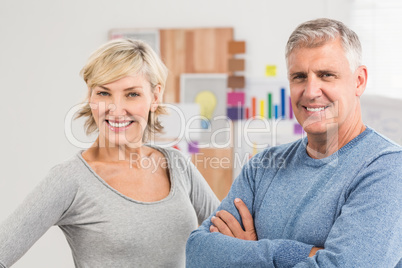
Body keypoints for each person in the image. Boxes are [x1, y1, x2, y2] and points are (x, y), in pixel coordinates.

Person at [186, 18, 402, 267]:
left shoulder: (387, 169)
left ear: (359, 81)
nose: (310, 91)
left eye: (326, 75)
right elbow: (197, 253)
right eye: (299, 77)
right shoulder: (262, 167)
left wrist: (246, 253)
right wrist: (298, 254)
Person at [0, 39, 219, 267]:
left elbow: (232, 238)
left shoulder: (177, 165)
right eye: (104, 93)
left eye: (132, 94)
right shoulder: (70, 179)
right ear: (91, 97)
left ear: (155, 97)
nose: (115, 109)